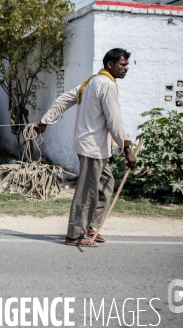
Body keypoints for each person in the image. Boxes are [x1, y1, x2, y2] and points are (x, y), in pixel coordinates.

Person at [34, 48, 137, 247]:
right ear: (110, 65)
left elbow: (64, 99)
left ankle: (90, 226)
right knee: (88, 191)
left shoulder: (91, 82)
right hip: (93, 148)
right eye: (123, 65)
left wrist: (46, 120)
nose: (126, 69)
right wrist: (127, 149)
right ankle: (75, 234)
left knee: (106, 184)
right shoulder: (105, 84)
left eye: (126, 65)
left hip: (92, 146)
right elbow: (114, 120)